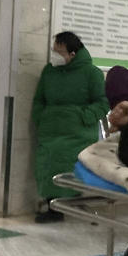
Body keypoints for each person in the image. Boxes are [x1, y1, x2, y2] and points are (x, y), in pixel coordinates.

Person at [32, 31, 108, 222]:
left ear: (72, 54)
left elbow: (102, 103)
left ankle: (60, 207)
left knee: (64, 165)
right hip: (50, 129)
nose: (54, 55)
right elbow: (39, 99)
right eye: (53, 51)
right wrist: (40, 117)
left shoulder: (92, 73)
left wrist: (84, 117)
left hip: (77, 132)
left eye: (59, 52)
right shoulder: (49, 72)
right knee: (45, 165)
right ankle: (52, 205)